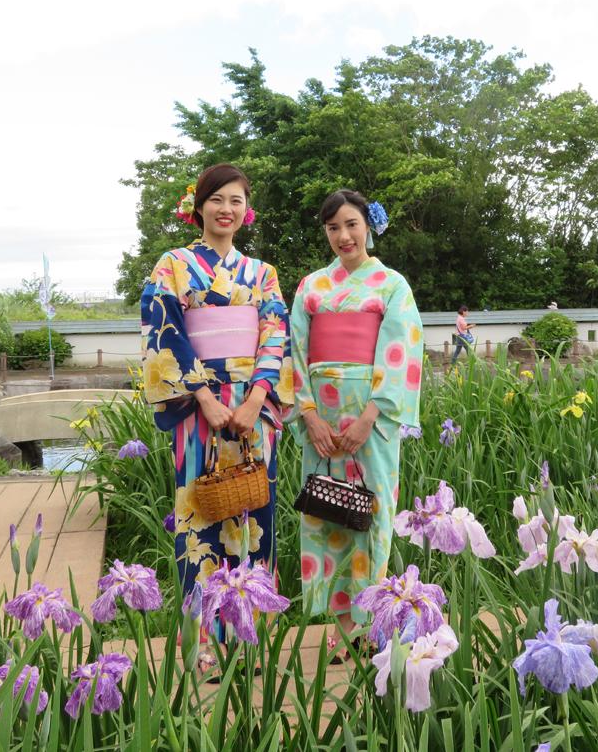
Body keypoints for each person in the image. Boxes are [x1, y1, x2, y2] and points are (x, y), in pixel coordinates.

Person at [140, 163, 292, 640]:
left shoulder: (262, 273)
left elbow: (276, 335)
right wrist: (203, 395)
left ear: (247, 212)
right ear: (198, 206)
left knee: (254, 511)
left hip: (252, 406)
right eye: (217, 199)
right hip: (195, 406)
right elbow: (165, 330)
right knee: (197, 513)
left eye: (236, 201)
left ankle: (249, 634)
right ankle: (203, 639)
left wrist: (256, 400)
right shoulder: (174, 265)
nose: (226, 209)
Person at [288, 189, 423, 648]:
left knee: (372, 512)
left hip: (370, 420)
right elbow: (296, 352)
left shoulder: (390, 283)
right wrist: (308, 415)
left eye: (351, 224)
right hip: (320, 423)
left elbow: (401, 351)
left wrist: (371, 415)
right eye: (332, 228)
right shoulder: (311, 286)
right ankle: (340, 626)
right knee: (327, 513)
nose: (343, 236)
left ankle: (371, 625)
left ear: (368, 224)